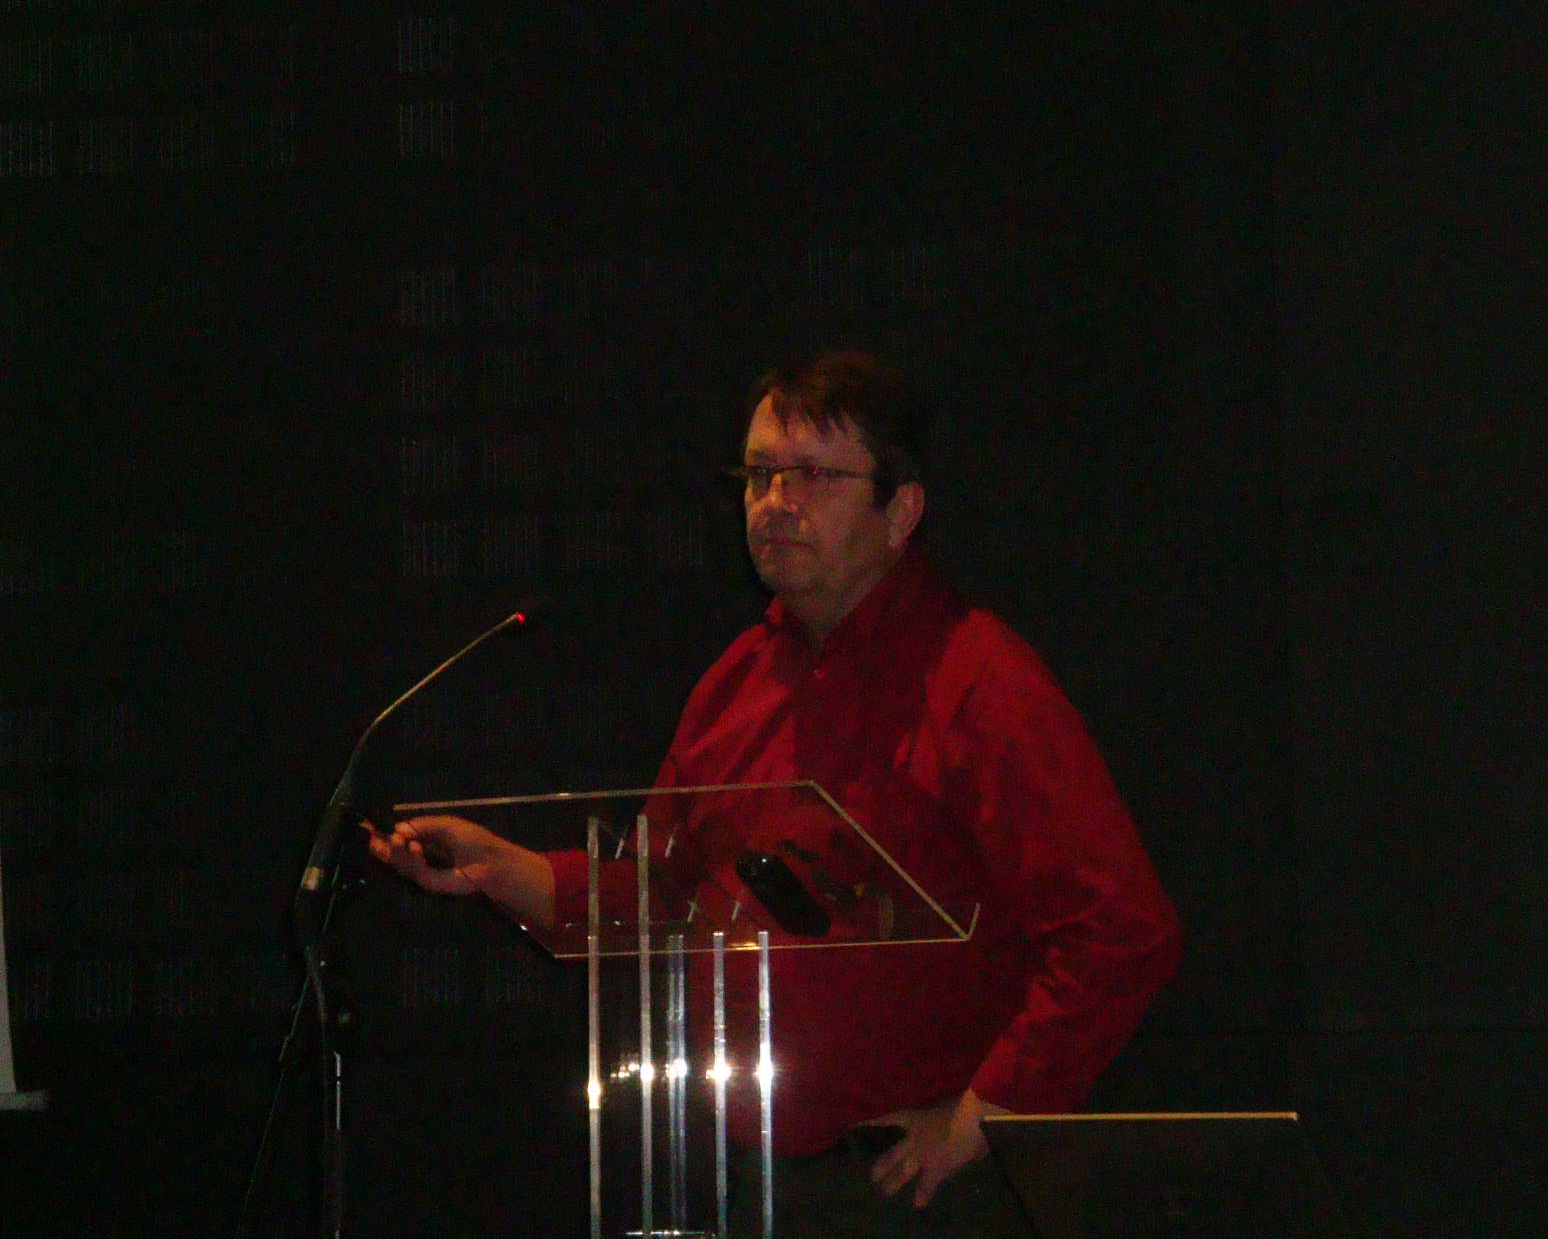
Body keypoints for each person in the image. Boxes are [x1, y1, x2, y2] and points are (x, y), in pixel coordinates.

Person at [370, 349, 1182, 1233]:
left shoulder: (981, 683)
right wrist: (500, 871)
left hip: (925, 1189)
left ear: (902, 510)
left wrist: (988, 1117)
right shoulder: (737, 684)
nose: (775, 502)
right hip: (755, 1180)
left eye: (815, 476)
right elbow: (658, 898)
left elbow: (1119, 931)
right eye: (759, 475)